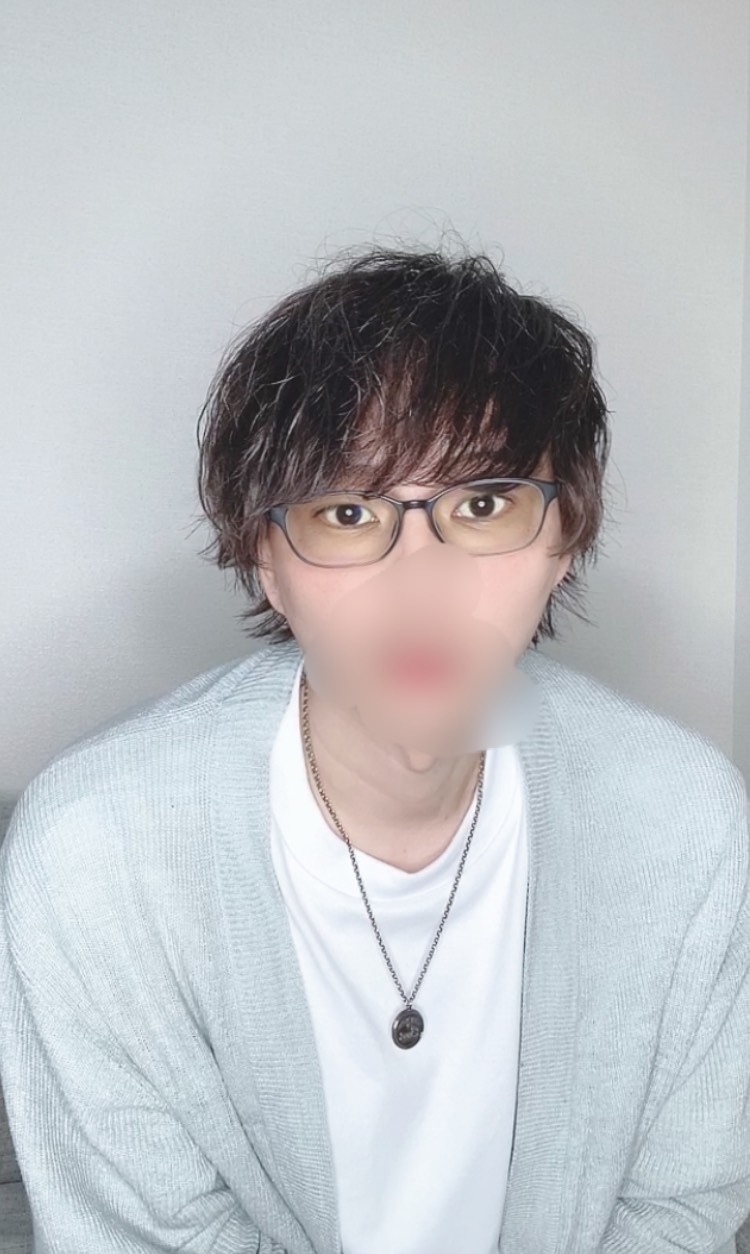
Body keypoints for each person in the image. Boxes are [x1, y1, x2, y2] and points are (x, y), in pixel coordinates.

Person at [1, 244, 749, 1254]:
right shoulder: (96, 855)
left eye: (481, 504)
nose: (420, 586)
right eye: (348, 513)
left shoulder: (688, 823)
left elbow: (682, 1211)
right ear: (264, 559)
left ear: (565, 534)